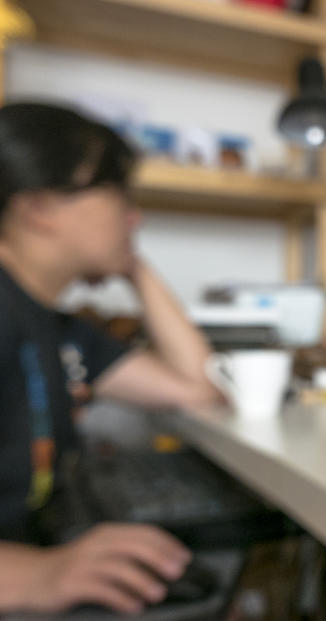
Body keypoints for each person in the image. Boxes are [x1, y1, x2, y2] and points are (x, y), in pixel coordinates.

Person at [0, 102, 224, 614]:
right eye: (119, 194)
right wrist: (35, 576)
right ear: (38, 206)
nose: (135, 215)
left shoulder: (63, 331)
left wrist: (134, 268)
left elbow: (200, 389)